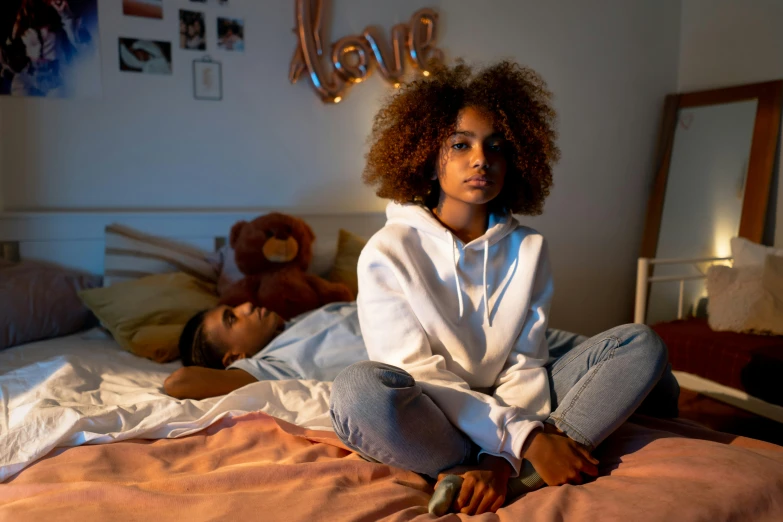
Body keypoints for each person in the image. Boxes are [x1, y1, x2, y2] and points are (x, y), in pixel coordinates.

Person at [328, 60, 681, 516]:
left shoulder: (529, 248)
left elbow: (526, 364)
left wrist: (500, 457)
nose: (481, 159)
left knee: (641, 343)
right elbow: (421, 372)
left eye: (496, 147)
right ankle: (501, 464)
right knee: (357, 392)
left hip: (512, 410)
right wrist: (526, 438)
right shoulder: (387, 250)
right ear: (428, 161)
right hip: (433, 414)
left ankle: (497, 478)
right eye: (461, 144)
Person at [164, 301, 367, 400]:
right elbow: (178, 383)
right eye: (232, 318)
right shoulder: (271, 366)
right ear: (235, 357)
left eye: (234, 308)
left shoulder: (292, 324)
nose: (247, 305)